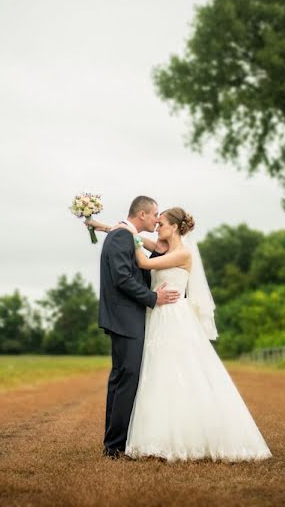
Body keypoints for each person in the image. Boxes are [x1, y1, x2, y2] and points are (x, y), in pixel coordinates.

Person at [110, 207, 272, 462]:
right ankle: (157, 437)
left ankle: (188, 437)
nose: (157, 227)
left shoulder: (183, 253)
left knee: (180, 371)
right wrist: (102, 226)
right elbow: (139, 240)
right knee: (157, 374)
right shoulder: (165, 248)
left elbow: (143, 261)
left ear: (174, 227)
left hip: (174, 317)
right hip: (157, 317)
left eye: (161, 223)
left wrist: (131, 232)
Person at [96, 196, 181, 459]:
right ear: (142, 214)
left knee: (121, 379)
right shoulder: (122, 237)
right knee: (126, 380)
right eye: (155, 214)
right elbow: (122, 278)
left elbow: (139, 272)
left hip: (124, 318)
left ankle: (113, 444)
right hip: (125, 319)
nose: (157, 220)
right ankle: (116, 446)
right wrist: (154, 298)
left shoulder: (125, 235)